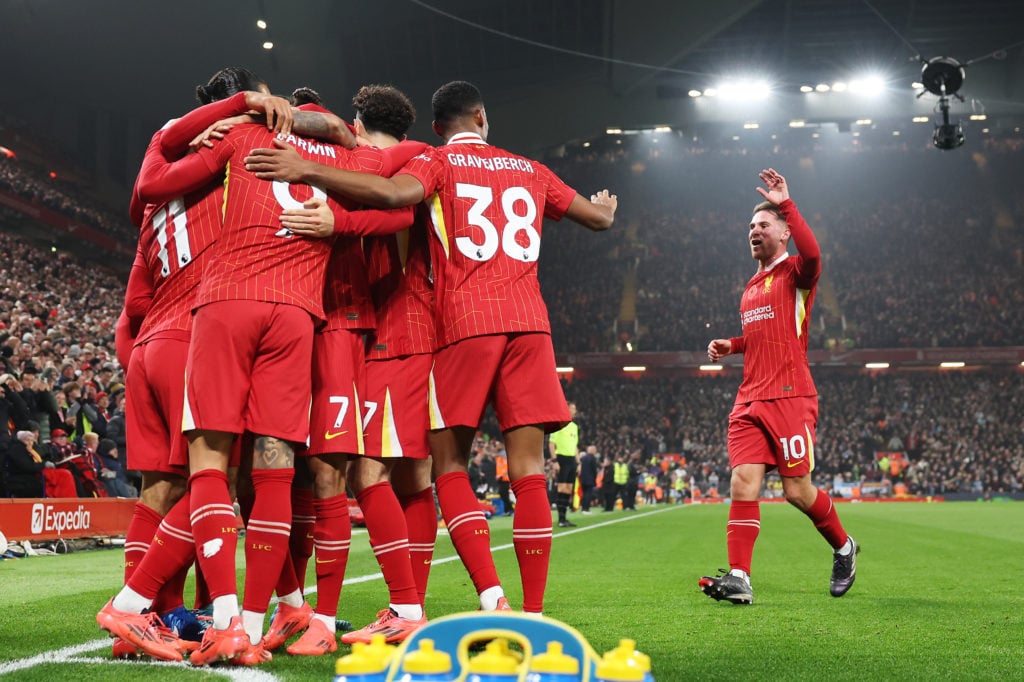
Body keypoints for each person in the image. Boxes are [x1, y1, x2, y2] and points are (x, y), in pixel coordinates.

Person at [245, 79, 617, 615]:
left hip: (462, 324)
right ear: (483, 117)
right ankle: (533, 613)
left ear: (439, 128)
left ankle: (489, 599)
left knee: (446, 469)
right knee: (529, 471)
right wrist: (605, 205)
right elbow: (599, 219)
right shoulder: (530, 169)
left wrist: (307, 171)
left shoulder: (437, 162)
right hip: (532, 325)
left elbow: (396, 198)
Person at [699, 168, 858, 605]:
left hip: (790, 396)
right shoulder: (750, 287)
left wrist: (786, 202)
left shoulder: (796, 273)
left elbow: (815, 253)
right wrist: (732, 344)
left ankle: (844, 548)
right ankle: (739, 577)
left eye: (763, 225)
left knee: (796, 492)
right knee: (742, 482)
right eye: (750, 226)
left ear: (784, 233)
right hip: (750, 398)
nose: (754, 230)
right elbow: (762, 336)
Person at [548, 401, 579, 527]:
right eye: (572, 408)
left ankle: (564, 518)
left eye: (575, 408)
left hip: (572, 459)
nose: (574, 410)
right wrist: (554, 461)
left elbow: (575, 445)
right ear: (566, 409)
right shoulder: (558, 424)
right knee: (561, 487)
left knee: (569, 489)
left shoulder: (574, 427)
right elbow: (551, 443)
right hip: (562, 458)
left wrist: (578, 462)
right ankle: (560, 519)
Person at [578, 445, 599, 513]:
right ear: (592, 450)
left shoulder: (583, 458)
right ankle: (586, 509)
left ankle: (583, 508)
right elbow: (594, 470)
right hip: (590, 479)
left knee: (584, 494)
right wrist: (595, 477)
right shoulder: (592, 458)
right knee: (588, 494)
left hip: (583, 479)